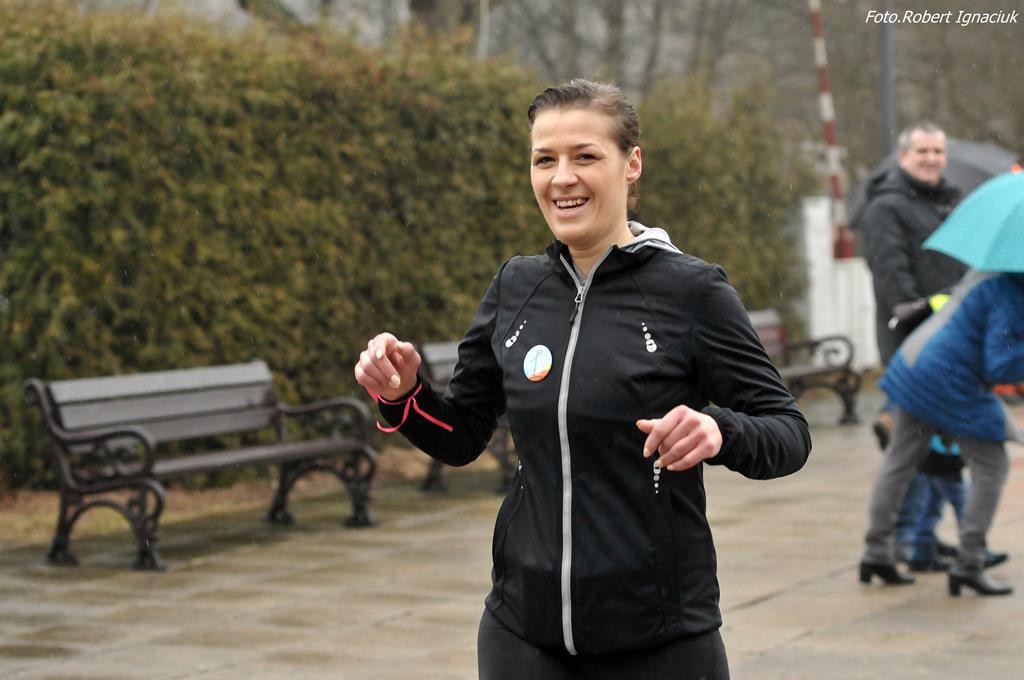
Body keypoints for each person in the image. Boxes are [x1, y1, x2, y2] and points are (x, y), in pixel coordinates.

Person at [353, 79, 811, 679]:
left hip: (659, 636)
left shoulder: (692, 291)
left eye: (585, 156)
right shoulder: (516, 286)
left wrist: (719, 430)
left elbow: (788, 432)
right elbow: (462, 434)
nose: (562, 178)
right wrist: (403, 395)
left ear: (631, 164)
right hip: (523, 631)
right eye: (544, 160)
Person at [860, 269, 1024, 596]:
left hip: (917, 362)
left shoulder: (988, 274)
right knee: (992, 466)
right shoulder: (1011, 293)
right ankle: (969, 564)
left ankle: (876, 554)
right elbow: (1000, 364)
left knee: (899, 462)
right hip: (947, 377)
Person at [857, 122, 967, 565]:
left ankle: (922, 537)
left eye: (938, 151)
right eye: (922, 151)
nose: (931, 159)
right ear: (903, 157)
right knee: (912, 450)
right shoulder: (887, 207)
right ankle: (902, 540)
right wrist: (929, 313)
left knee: (937, 448)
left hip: (949, 343)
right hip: (913, 346)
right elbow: (894, 283)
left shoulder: (946, 203)